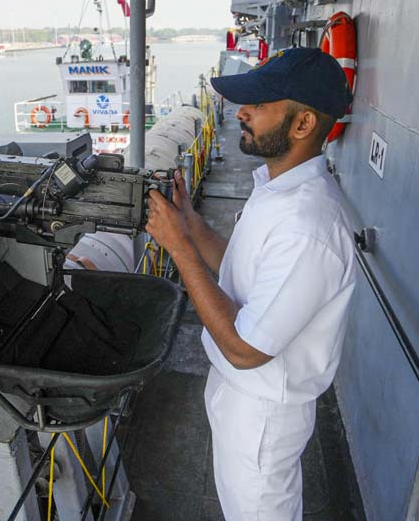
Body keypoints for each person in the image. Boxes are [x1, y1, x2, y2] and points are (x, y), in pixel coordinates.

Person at [144, 47, 356, 520]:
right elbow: (241, 268)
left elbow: (246, 349)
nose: (241, 112)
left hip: (261, 413)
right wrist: (191, 224)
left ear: (303, 125)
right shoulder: (279, 189)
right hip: (240, 394)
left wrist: (179, 249)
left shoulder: (308, 226)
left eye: (258, 104)